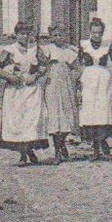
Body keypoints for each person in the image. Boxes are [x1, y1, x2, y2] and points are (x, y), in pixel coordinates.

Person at [0, 20, 47, 166]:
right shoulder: (9, 50)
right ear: (16, 34)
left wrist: (35, 76)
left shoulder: (36, 49)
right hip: (15, 91)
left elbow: (44, 66)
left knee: (31, 120)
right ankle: (23, 154)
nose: (25, 37)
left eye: (27, 34)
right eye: (22, 34)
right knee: (18, 120)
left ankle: (29, 149)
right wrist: (9, 76)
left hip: (32, 89)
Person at [77, 16, 112, 160]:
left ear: (103, 32)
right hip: (88, 78)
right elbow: (77, 64)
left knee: (104, 110)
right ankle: (95, 149)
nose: (97, 35)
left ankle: (103, 140)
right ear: (90, 32)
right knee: (90, 112)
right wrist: (78, 82)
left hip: (103, 79)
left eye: (99, 32)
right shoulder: (83, 45)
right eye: (94, 32)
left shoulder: (108, 45)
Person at [37, 22, 80, 164]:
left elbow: (76, 68)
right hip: (52, 85)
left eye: (61, 34)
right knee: (55, 116)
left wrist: (75, 80)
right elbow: (40, 65)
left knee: (67, 116)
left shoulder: (71, 50)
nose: (58, 37)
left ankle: (62, 144)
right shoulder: (48, 49)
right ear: (50, 36)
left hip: (67, 85)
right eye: (55, 35)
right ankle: (57, 150)